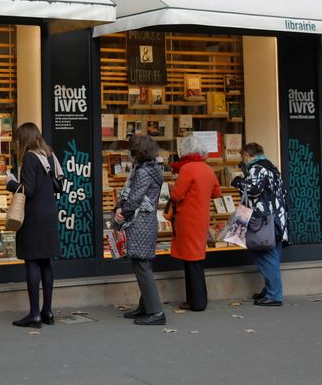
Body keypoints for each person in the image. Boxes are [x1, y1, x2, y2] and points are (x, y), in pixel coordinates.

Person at [5, 122, 63, 329]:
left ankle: (34, 314)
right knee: (46, 262)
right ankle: (47, 311)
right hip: (49, 213)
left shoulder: (30, 157)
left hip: (34, 215)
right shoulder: (49, 155)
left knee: (31, 261)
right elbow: (59, 185)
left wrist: (10, 183)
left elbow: (27, 190)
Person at [231, 142, 290, 307]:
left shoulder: (257, 168)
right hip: (276, 218)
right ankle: (270, 289)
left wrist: (237, 182)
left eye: (243, 157)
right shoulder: (271, 167)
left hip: (262, 220)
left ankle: (274, 295)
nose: (243, 161)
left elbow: (254, 190)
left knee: (264, 255)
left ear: (248, 155)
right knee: (273, 254)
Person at [115, 134, 165, 325]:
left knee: (142, 266)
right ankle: (145, 307)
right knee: (144, 265)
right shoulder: (152, 169)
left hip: (139, 222)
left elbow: (134, 198)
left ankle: (156, 313)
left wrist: (122, 212)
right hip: (146, 222)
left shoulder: (143, 172)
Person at [168, 135, 221, 312]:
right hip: (202, 217)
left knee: (191, 261)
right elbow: (216, 193)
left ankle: (196, 301)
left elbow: (176, 195)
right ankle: (195, 299)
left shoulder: (187, 169)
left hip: (187, 218)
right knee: (195, 260)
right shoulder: (207, 169)